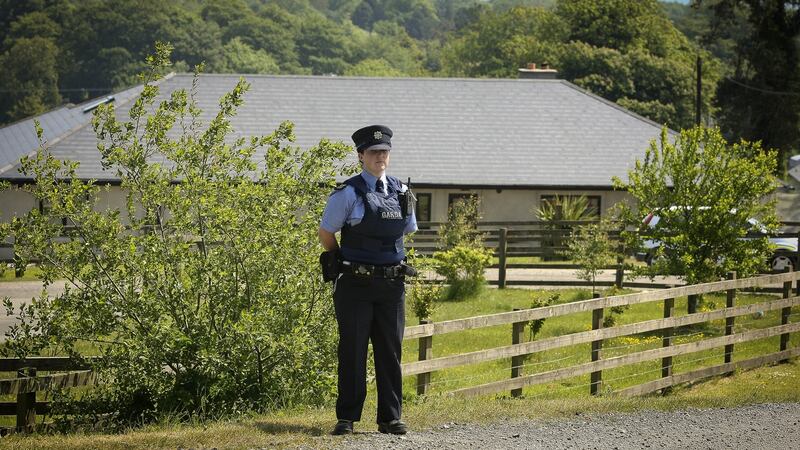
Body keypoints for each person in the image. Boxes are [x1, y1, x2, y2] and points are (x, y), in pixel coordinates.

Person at [318, 125, 417, 436]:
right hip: (355, 286)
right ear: (361, 155)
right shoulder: (348, 193)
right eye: (374, 152)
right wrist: (343, 260)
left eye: (384, 152)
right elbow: (326, 234)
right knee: (353, 350)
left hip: (391, 286)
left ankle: (390, 419)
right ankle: (347, 418)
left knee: (390, 352)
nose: (380, 157)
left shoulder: (402, 191)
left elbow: (407, 231)